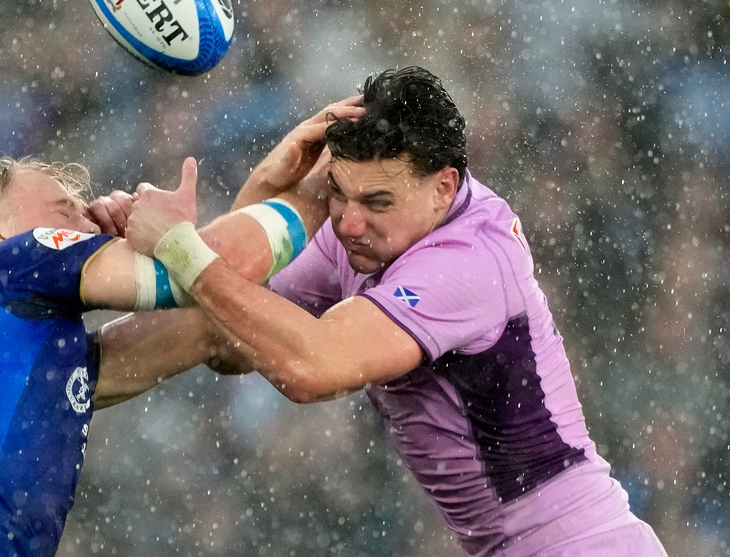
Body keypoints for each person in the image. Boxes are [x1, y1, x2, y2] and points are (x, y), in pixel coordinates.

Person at [125, 66, 668, 556]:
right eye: (337, 193)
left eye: (377, 202)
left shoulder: (469, 260)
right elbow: (233, 331)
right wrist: (269, 181)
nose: (349, 222)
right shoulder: (364, 233)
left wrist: (180, 247)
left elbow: (308, 368)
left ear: (443, 187)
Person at [0, 99, 363, 557]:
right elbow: (201, 269)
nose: (87, 215)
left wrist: (271, 183)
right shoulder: (6, 259)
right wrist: (330, 181)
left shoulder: (23, 357)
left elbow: (215, 318)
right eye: (62, 208)